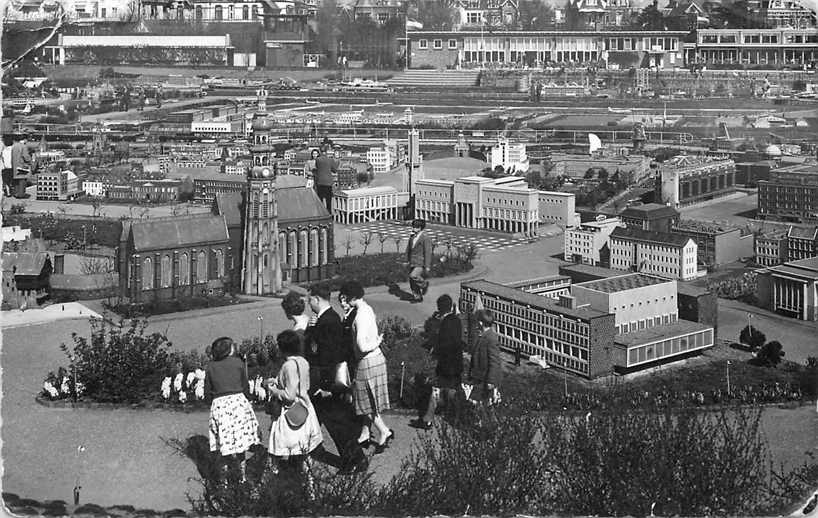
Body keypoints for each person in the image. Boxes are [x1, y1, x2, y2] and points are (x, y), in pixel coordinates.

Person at [304, 284, 368, 474]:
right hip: (326, 381)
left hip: (326, 382)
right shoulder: (327, 318)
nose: (309, 304)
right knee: (328, 420)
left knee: (337, 423)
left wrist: (325, 386)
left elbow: (328, 356)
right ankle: (304, 453)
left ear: (316, 299)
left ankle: (355, 459)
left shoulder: (328, 321)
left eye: (310, 300)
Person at [340, 281, 393, 453]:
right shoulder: (368, 309)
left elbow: (362, 346)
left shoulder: (359, 316)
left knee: (363, 403)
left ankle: (383, 431)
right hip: (378, 360)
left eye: (347, 297)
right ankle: (364, 433)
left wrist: (376, 342)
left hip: (367, 361)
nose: (345, 300)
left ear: (353, 297)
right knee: (371, 400)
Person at [266, 330, 323, 474]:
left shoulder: (287, 366)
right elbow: (304, 385)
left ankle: (277, 482)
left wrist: (273, 390)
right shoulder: (303, 362)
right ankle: (310, 488)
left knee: (278, 449)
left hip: (290, 411)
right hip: (305, 407)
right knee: (305, 451)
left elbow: (289, 395)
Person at [204, 336, 259, 483]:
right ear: (229, 350)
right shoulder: (238, 363)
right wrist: (249, 399)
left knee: (223, 447)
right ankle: (242, 477)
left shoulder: (210, 366)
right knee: (241, 445)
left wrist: (213, 403)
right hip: (238, 404)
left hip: (220, 406)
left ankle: (224, 482)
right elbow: (245, 386)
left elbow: (207, 392)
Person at [410, 294, 464, 430]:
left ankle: (428, 419)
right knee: (452, 391)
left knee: (437, 390)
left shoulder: (444, 324)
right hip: (456, 364)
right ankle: (458, 418)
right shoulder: (456, 320)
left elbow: (443, 345)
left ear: (439, 308)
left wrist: (434, 349)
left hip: (446, 365)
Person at [467, 309, 502, 405]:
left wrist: (491, 381)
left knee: (476, 405)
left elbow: (494, 362)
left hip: (486, 380)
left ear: (481, 323)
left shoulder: (491, 338)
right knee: (477, 405)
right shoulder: (483, 335)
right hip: (480, 378)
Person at [406, 218, 432, 303]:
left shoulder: (425, 237)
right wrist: (406, 259)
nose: (413, 229)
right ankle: (417, 297)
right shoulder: (412, 236)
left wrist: (427, 266)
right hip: (412, 261)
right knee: (412, 281)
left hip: (420, 262)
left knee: (413, 276)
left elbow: (427, 252)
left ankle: (424, 285)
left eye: (415, 227)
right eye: (413, 227)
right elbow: (408, 249)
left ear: (420, 228)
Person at [312, 145, 337, 213]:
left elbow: (317, 167)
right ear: (326, 151)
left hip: (320, 181)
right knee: (328, 199)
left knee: (320, 198)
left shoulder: (317, 160)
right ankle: (329, 212)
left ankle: (321, 212)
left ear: (320, 151)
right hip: (328, 182)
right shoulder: (330, 160)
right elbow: (334, 170)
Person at [11, 131, 35, 199]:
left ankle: (16, 193)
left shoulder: (14, 146)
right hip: (22, 165)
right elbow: (26, 157)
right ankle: (21, 194)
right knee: (22, 180)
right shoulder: (23, 146)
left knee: (16, 181)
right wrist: (31, 162)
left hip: (15, 165)